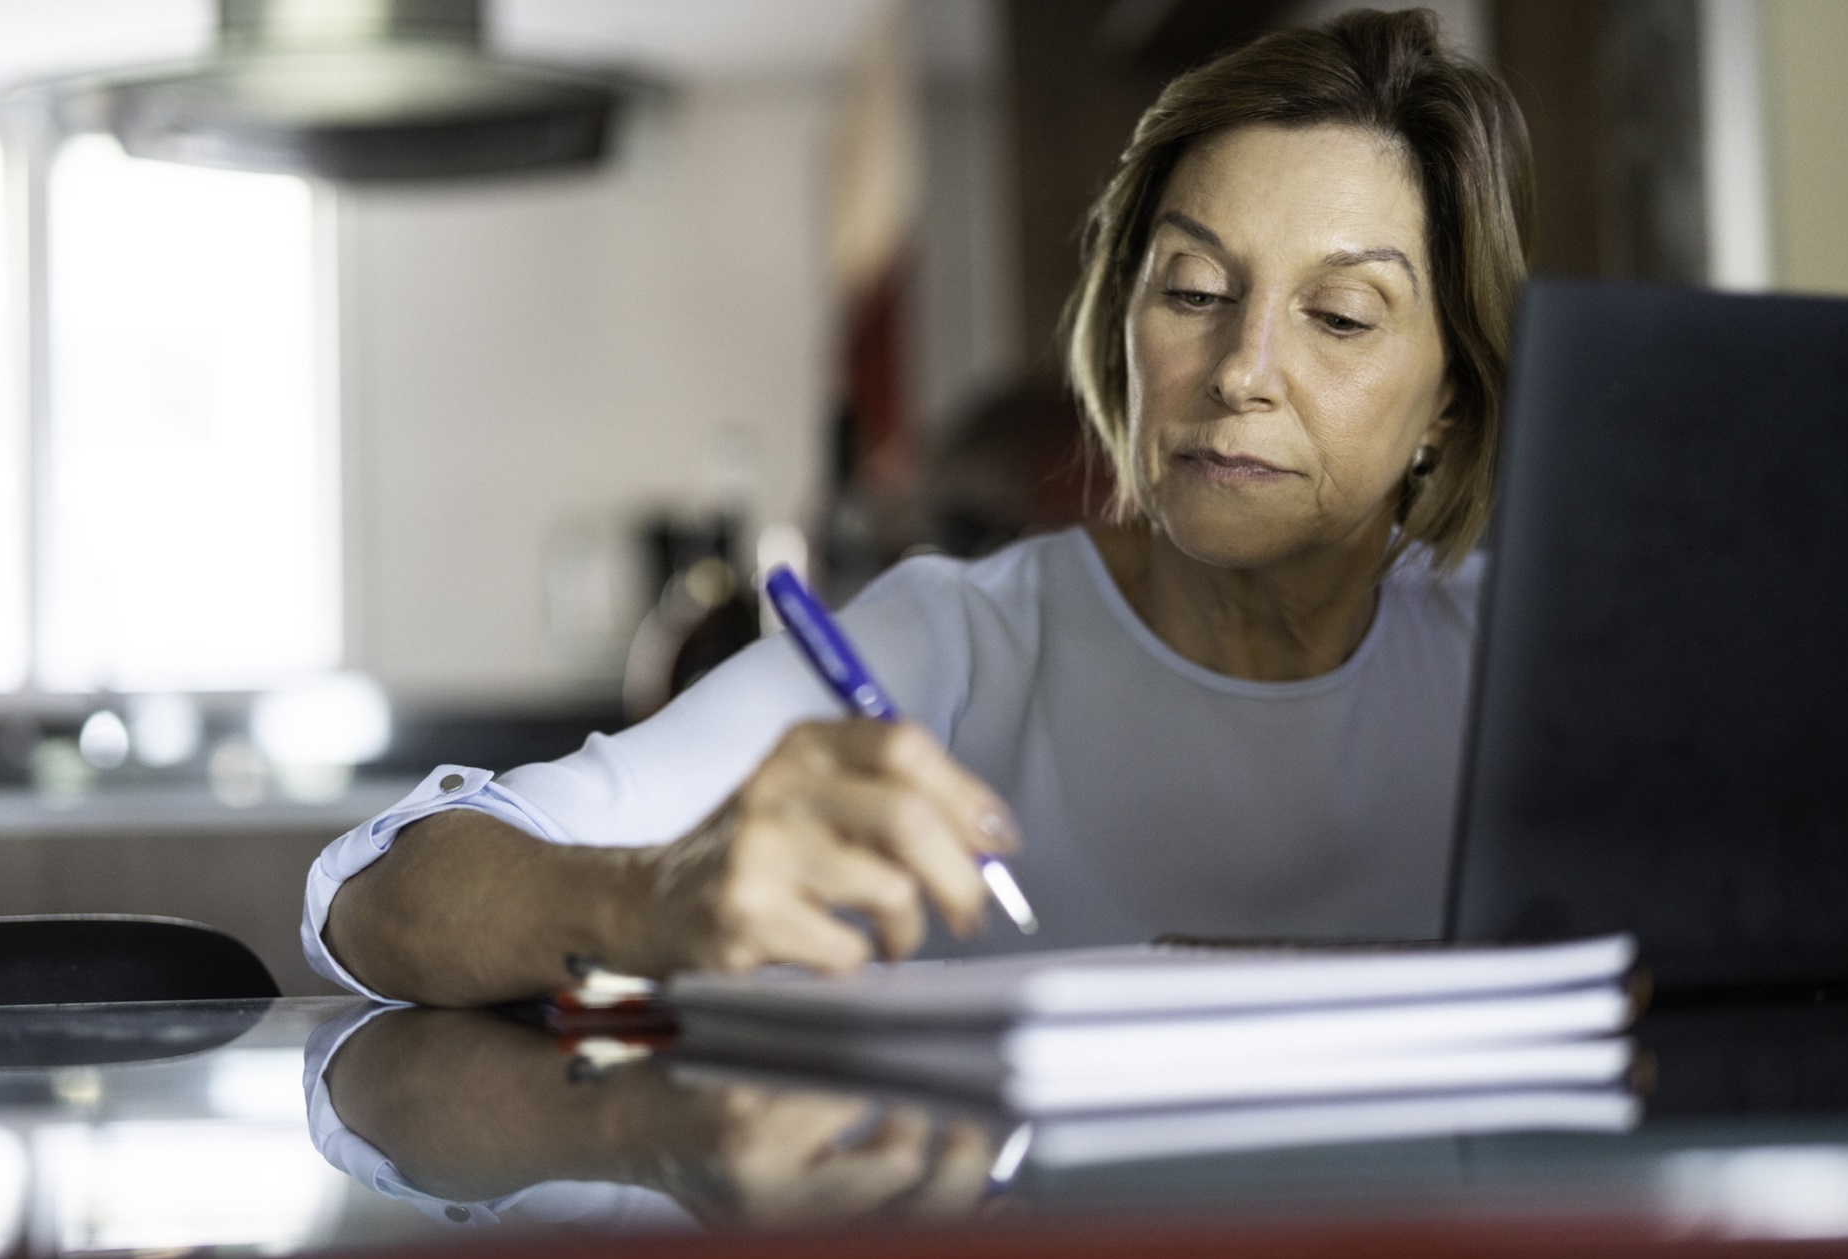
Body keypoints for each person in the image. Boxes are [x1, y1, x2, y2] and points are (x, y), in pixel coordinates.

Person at [304, 8, 1533, 1007]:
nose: (1240, 369)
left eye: (1339, 317)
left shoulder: (1528, 672)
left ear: (1446, 401)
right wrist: (644, 901)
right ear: (1123, 328)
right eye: (1193, 288)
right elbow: (368, 893)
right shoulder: (949, 646)